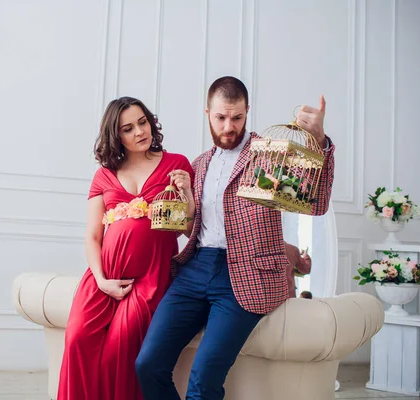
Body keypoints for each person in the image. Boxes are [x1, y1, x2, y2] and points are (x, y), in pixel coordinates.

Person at [135, 76, 335, 400]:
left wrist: (320, 143)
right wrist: (185, 196)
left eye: (237, 117)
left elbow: (316, 202)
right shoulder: (198, 164)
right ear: (207, 113)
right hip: (195, 268)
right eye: (221, 117)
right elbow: (191, 228)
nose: (229, 126)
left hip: (245, 276)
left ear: (247, 112)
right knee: (148, 364)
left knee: (203, 382)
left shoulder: (269, 155)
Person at [57, 96, 195, 400]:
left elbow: (188, 230)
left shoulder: (177, 165)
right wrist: (101, 280)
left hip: (149, 278)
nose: (140, 132)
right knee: (77, 339)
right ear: (115, 135)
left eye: (142, 122)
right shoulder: (104, 174)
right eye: (128, 128)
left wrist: (186, 194)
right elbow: (93, 235)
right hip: (103, 277)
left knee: (116, 352)